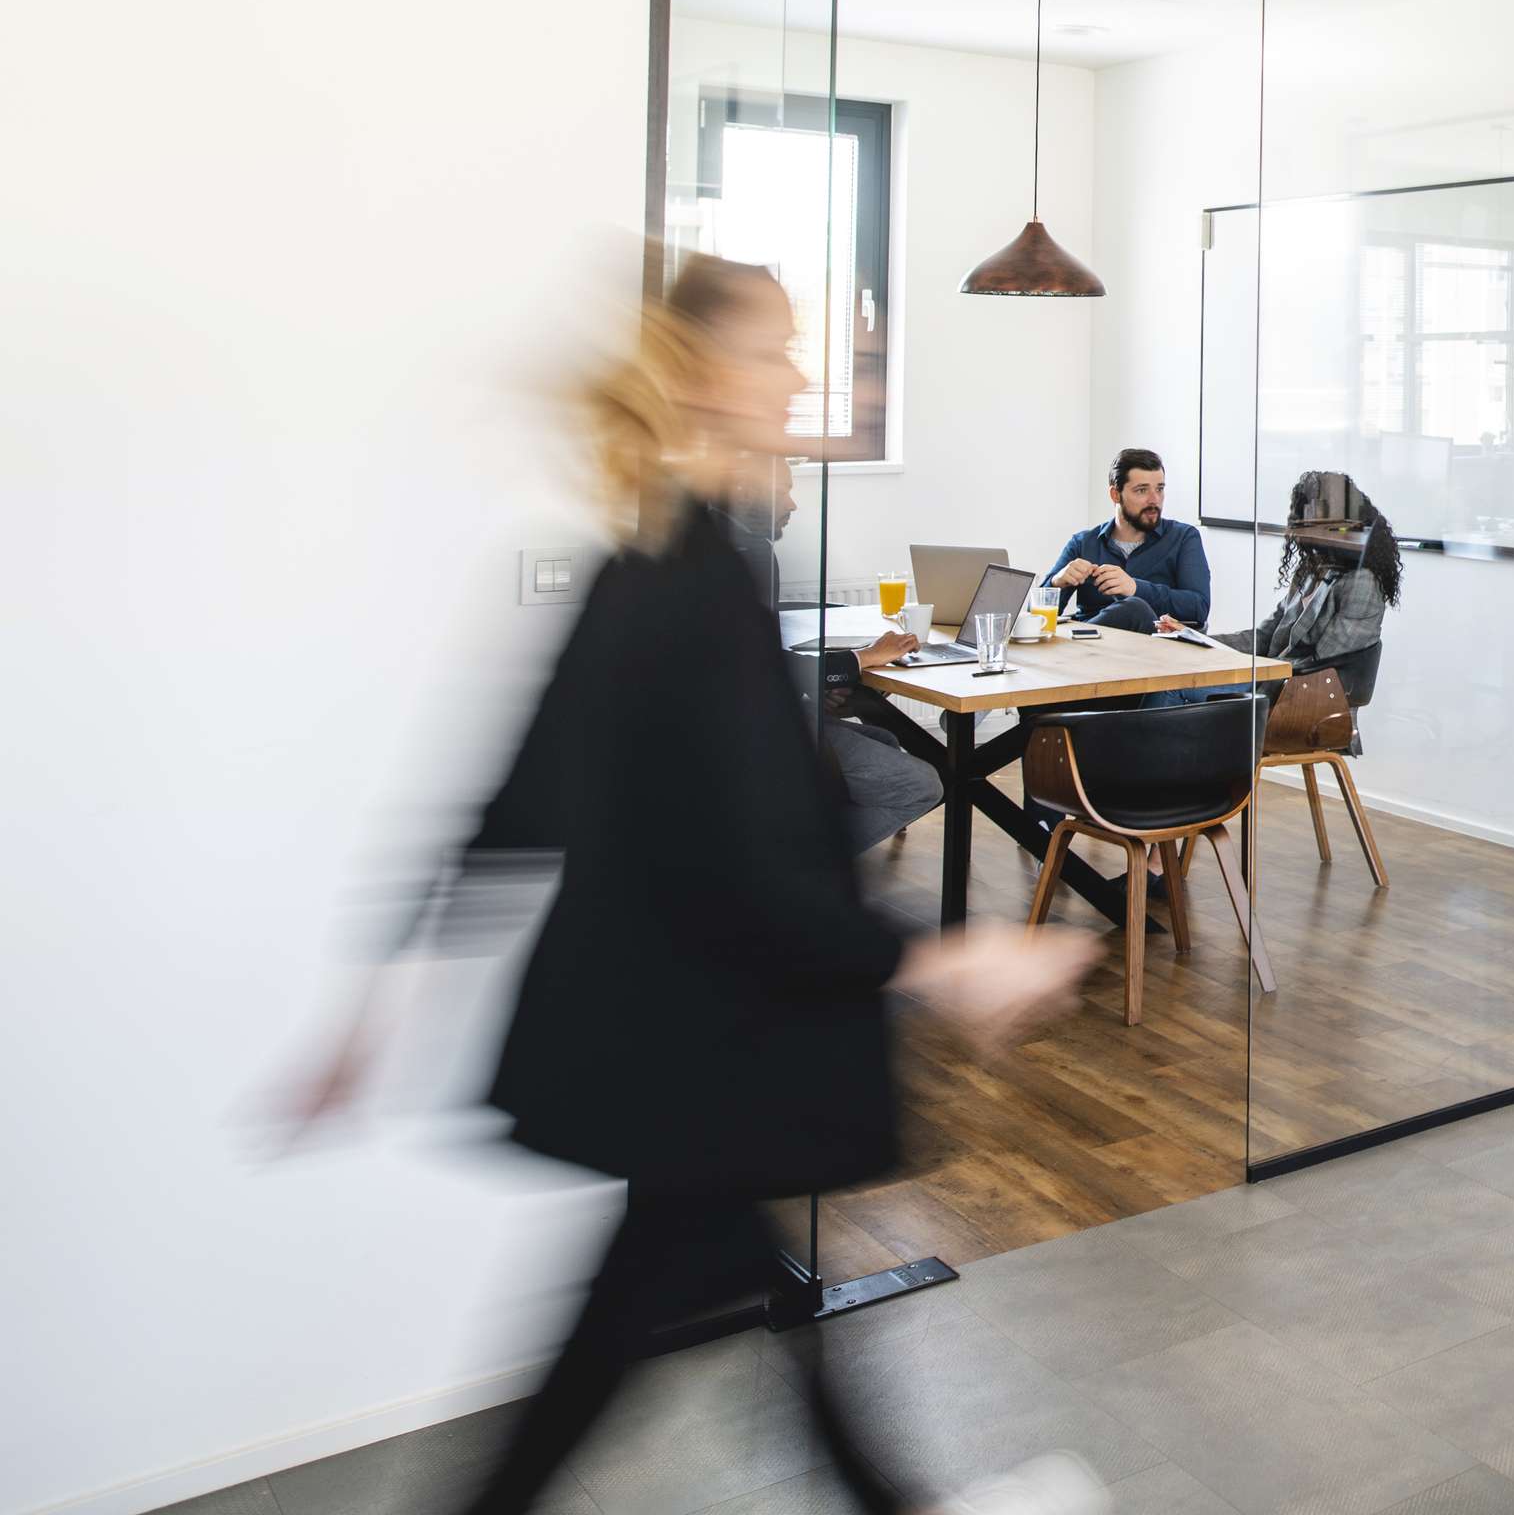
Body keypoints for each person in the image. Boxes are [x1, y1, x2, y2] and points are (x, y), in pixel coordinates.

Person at [284, 255, 1105, 1515]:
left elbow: (520, 794)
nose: (794, 373)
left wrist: (381, 994)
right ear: (709, 376)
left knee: (676, 1324)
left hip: (668, 1040)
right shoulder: (699, 577)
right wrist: (941, 958)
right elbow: (740, 863)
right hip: (700, 1043)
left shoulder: (647, 559)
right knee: (650, 1333)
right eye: (774, 349)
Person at [727, 455, 944, 852]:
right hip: (753, 736)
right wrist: (861, 659)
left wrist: (815, 684)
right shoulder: (749, 554)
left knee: (883, 738)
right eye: (783, 491)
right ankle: (798, 868)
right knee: (923, 785)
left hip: (746, 724)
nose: (792, 504)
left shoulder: (723, 546)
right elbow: (752, 666)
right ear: (746, 494)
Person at [1239, 469, 1400, 665]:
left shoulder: (1362, 584)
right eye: (1307, 516)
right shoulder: (1310, 570)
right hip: (1271, 674)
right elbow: (1265, 636)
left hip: (1298, 687)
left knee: (1197, 691)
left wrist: (1257, 673)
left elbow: (1321, 663)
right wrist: (1205, 643)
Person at [1044, 446, 1209, 634]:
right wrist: (1057, 582)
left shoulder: (1183, 537)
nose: (1154, 500)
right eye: (1142, 490)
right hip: (1090, 650)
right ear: (1115, 494)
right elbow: (1036, 619)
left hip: (1154, 652)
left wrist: (1136, 588)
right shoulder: (1083, 543)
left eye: (1160, 489)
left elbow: (1199, 607)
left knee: (1134, 608)